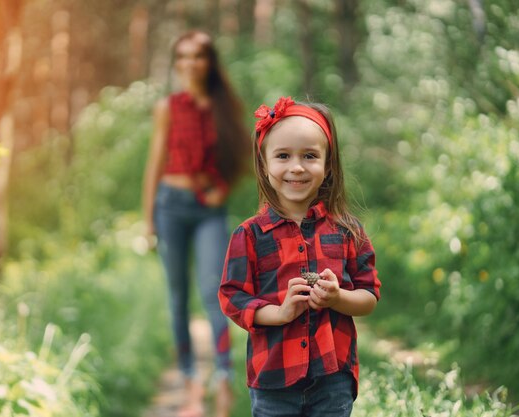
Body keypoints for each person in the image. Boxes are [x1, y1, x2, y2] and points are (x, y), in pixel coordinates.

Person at [218, 96, 381, 417]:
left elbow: (369, 296)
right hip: (273, 380)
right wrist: (278, 313)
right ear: (264, 165)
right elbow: (232, 297)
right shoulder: (249, 235)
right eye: (282, 156)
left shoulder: (349, 231)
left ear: (328, 164)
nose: (296, 167)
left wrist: (337, 298)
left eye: (309, 156)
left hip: (333, 378)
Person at [142, 30, 250, 417]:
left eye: (198, 56)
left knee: (213, 293)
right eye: (183, 57)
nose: (190, 64)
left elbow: (240, 153)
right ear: (176, 63)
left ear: (210, 62)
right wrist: (147, 219)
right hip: (170, 205)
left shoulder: (223, 106)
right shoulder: (167, 107)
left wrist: (224, 188)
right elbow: (154, 164)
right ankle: (191, 385)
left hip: (208, 209)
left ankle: (223, 380)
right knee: (177, 297)